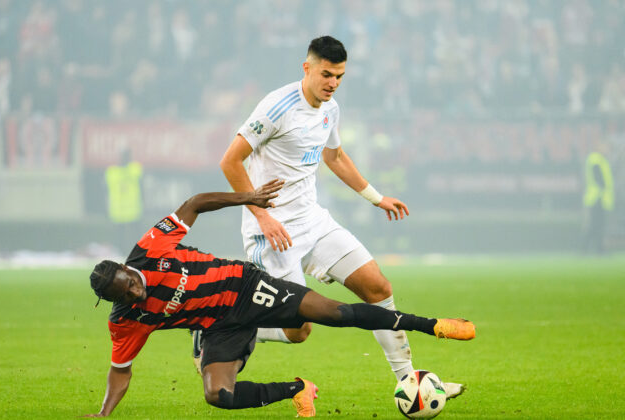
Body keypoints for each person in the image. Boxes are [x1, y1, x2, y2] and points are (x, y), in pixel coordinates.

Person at [84, 180, 475, 417]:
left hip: (245, 287)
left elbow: (195, 203)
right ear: (115, 300)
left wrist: (248, 198)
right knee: (217, 396)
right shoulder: (126, 319)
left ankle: (434, 325)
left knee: (334, 313)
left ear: (126, 266)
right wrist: (104, 413)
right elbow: (120, 370)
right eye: (128, 294)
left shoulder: (150, 248)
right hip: (218, 327)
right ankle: (298, 388)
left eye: (133, 282)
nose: (138, 290)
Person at [214, 35, 464, 396]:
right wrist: (261, 216)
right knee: (298, 330)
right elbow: (229, 161)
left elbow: (335, 157)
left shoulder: (330, 109)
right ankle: (223, 323)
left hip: (313, 221)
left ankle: (410, 382)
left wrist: (376, 198)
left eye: (339, 77)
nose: (332, 83)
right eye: (327, 74)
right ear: (308, 68)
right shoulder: (276, 107)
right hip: (273, 232)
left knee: (378, 287)